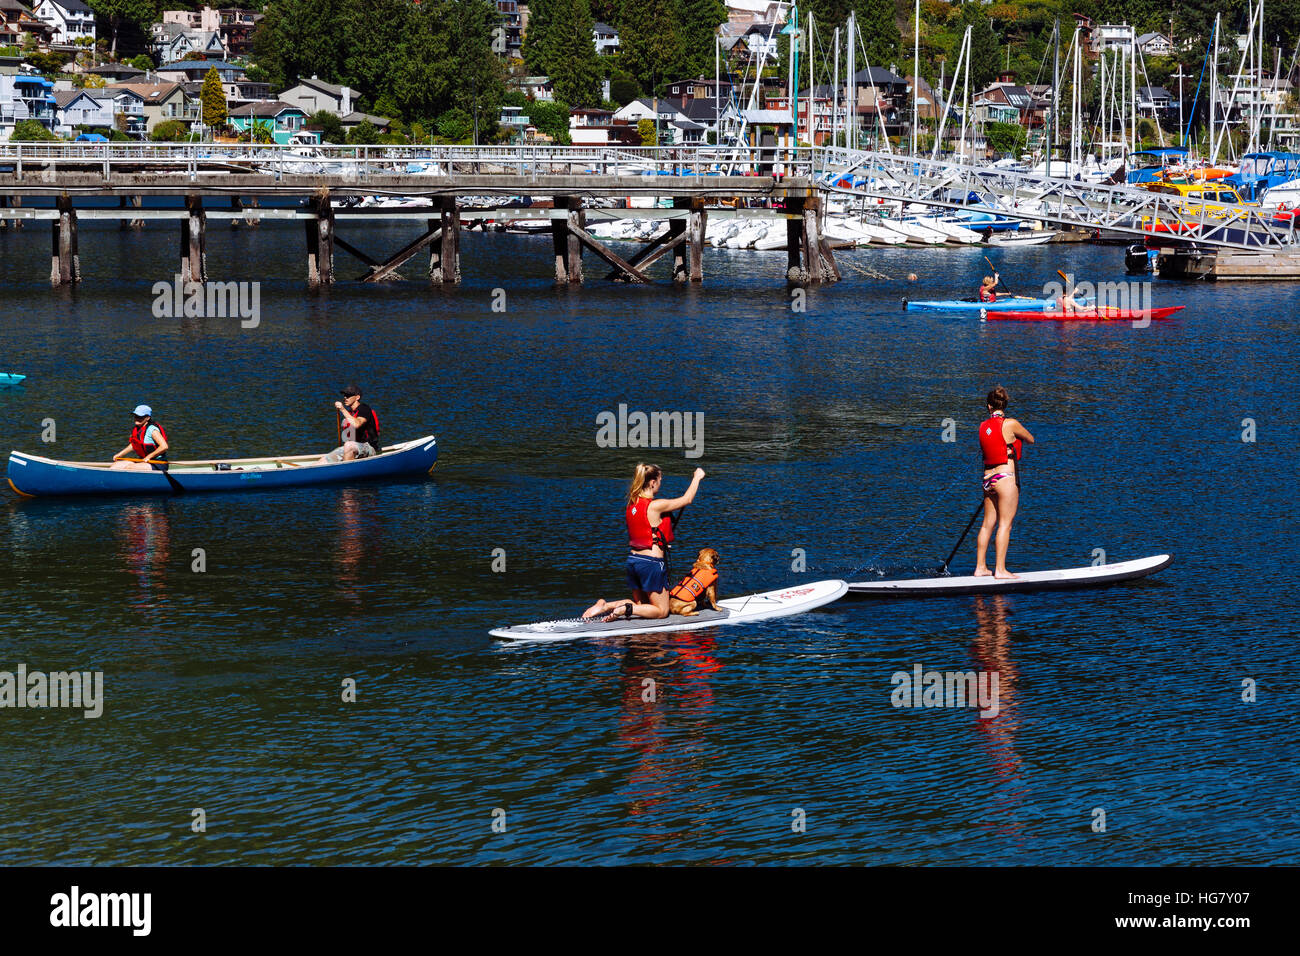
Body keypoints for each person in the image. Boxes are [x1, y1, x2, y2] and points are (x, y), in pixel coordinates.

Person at [583, 464, 706, 621]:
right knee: (662, 611)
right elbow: (687, 499)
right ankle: (625, 609)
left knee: (643, 606)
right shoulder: (655, 505)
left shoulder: (632, 504)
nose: (660, 484)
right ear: (653, 482)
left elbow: (647, 530)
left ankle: (606, 606)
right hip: (651, 564)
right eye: (660, 480)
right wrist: (697, 477)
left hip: (634, 562)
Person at [974, 387, 1035, 579]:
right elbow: (1031, 439)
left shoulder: (982, 426)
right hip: (1005, 478)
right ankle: (1000, 570)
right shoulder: (1011, 423)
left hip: (988, 480)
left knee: (987, 525)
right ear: (1005, 405)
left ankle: (980, 568)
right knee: (1005, 525)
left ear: (989, 406)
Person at [321, 385, 380, 463]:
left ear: (357, 397)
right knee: (324, 459)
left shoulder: (364, 408)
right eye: (344, 395)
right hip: (353, 448)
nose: (345, 397)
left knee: (348, 445)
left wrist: (342, 409)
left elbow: (357, 424)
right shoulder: (349, 414)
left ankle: (345, 469)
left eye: (348, 395)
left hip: (369, 448)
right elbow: (347, 439)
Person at [112, 404, 169, 471]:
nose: (137, 418)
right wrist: (120, 454)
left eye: (140, 417)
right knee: (115, 466)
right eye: (136, 416)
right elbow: (134, 445)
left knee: (130, 468)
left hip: (158, 463)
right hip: (143, 460)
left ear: (148, 418)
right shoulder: (137, 428)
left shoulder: (152, 430)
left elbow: (164, 446)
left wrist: (149, 457)